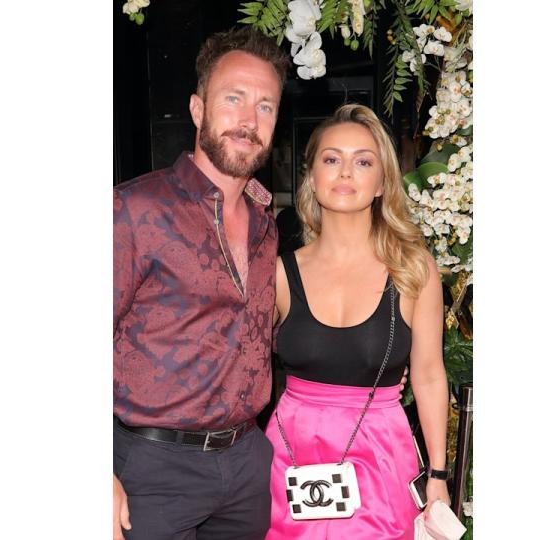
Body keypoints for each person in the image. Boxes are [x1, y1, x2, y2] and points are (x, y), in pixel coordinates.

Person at [113, 27, 289, 540]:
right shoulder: (134, 209)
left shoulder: (266, 226)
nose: (248, 120)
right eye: (233, 99)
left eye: (265, 106)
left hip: (246, 466)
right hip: (151, 468)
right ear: (197, 109)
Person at [265, 103, 451, 539]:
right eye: (332, 159)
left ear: (382, 181)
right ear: (311, 175)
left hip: (380, 456)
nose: (346, 173)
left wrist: (438, 475)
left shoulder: (414, 269)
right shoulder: (277, 272)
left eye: (363, 161)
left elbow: (427, 376)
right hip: (290, 458)